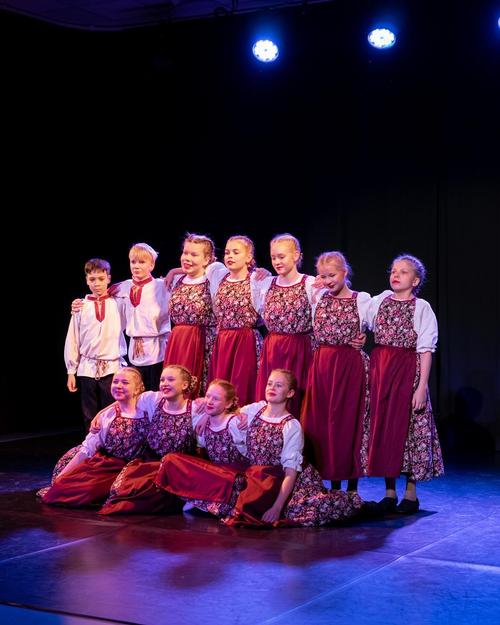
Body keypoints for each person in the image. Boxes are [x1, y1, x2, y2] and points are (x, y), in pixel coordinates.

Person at [228, 370, 364, 527]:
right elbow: (229, 412)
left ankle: (362, 505)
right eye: (270, 383)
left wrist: (277, 507)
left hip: (284, 479)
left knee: (305, 509)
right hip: (258, 477)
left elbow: (290, 473)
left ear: (290, 393)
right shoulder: (255, 410)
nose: (272, 388)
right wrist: (238, 414)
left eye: (279, 385)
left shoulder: (291, 426)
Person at [366, 254, 444, 515]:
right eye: (393, 271)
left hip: (407, 372)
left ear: (416, 280)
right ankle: (389, 492)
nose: (396, 275)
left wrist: (421, 387)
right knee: (384, 427)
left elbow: (426, 349)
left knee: (409, 429)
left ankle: (411, 494)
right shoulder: (380, 301)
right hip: (381, 371)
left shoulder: (421, 307)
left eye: (403, 272)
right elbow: (359, 316)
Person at [301, 251, 371, 493]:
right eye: (323, 276)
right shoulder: (317, 295)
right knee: (321, 423)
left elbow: (378, 323)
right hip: (322, 365)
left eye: (332, 275)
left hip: (348, 366)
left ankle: (351, 487)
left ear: (344, 272)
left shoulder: (362, 300)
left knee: (347, 422)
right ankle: (329, 485)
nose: (328, 280)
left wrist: (363, 337)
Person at [98, 364, 204, 515]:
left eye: (171, 380)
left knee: (143, 497)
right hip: (152, 462)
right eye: (162, 380)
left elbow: (225, 409)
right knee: (126, 489)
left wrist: (206, 408)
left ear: (184, 385)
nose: (164, 383)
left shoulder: (195, 409)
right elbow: (125, 397)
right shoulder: (153, 399)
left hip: (178, 467)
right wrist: (100, 414)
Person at [39, 367, 149, 507]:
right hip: (110, 465)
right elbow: (87, 450)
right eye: (115, 382)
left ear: (138, 388)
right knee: (69, 488)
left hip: (136, 466)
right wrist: (62, 477)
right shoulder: (107, 416)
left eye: (125, 382)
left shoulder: (149, 409)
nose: (118, 386)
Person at [72, 243, 171, 391]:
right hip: (134, 351)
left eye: (142, 262)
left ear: (152, 265)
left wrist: (173, 272)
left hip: (157, 349)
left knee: (157, 391)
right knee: (137, 393)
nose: (136, 266)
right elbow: (100, 295)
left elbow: (191, 274)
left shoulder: (162, 285)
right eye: (133, 262)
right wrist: (80, 303)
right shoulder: (123, 286)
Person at [155, 379, 248, 517]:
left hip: (232, 476)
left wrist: (241, 414)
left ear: (228, 403)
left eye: (216, 399)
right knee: (171, 459)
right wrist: (205, 415)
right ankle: (202, 497)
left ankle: (204, 499)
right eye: (208, 396)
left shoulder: (234, 423)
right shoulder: (203, 424)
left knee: (228, 481)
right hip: (214, 472)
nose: (209, 401)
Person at [254, 234, 316, 417]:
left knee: (296, 396)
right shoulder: (266, 283)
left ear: (296, 255)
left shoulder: (310, 283)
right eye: (273, 257)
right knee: (271, 394)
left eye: (281, 257)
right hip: (273, 348)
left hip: (299, 349)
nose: (276, 262)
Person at [64, 258, 127, 430]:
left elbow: (131, 288)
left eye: (101, 278)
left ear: (109, 278)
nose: (97, 283)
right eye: (92, 279)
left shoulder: (118, 303)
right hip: (87, 367)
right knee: (89, 413)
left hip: (112, 367)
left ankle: (112, 443)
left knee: (112, 411)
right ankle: (91, 444)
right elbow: (73, 338)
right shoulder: (81, 306)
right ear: (86, 280)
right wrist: (71, 371)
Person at [163, 233, 223, 397]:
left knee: (197, 389)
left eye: (194, 254)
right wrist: (173, 271)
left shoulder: (213, 280)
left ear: (207, 259)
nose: (187, 258)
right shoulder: (177, 279)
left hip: (201, 342)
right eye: (185, 253)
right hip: (177, 341)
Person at [208, 235, 265, 405]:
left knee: (242, 384)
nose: (230, 256)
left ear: (248, 257)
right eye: (227, 252)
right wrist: (173, 272)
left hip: (245, 341)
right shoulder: (219, 276)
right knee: (220, 385)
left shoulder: (256, 280)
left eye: (235, 252)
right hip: (223, 340)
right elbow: (195, 269)